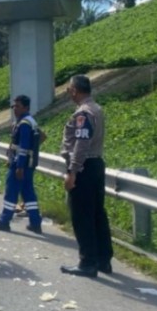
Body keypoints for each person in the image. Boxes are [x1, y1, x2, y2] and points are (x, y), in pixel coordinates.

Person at [59, 74, 113, 277]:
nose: (68, 93)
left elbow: (81, 144)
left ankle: (87, 262)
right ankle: (103, 259)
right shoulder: (96, 109)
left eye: (68, 89)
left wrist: (72, 171)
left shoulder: (82, 114)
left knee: (82, 216)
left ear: (74, 90)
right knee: (98, 214)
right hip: (96, 164)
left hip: (84, 167)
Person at [0, 95, 45, 234]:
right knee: (28, 193)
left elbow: (23, 146)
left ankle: (4, 220)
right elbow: (41, 137)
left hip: (21, 165)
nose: (14, 108)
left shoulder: (24, 123)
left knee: (11, 191)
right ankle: (35, 222)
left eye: (18, 106)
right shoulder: (29, 121)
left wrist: (19, 166)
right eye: (13, 106)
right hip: (28, 164)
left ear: (26, 107)